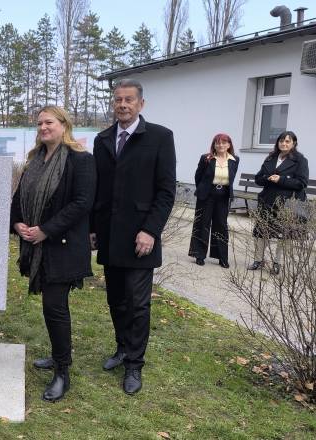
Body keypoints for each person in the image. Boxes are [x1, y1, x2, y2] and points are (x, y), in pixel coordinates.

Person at [92, 79, 176, 395]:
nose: (123, 105)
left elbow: (167, 191)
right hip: (111, 235)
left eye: (129, 100)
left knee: (138, 304)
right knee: (115, 299)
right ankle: (122, 348)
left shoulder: (159, 137)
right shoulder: (102, 140)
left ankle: (134, 365)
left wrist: (151, 230)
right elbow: (98, 189)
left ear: (141, 104)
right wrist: (92, 227)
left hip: (142, 237)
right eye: (118, 100)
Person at [11, 105, 96, 403]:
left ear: (64, 124)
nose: (43, 127)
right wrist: (17, 222)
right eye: (39, 124)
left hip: (62, 246)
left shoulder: (80, 160)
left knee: (55, 307)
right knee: (51, 308)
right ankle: (57, 355)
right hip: (37, 246)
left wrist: (46, 229)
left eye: (48, 122)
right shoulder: (35, 160)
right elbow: (20, 196)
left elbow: (82, 203)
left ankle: (63, 371)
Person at [248, 131, 308, 275]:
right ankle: (258, 260)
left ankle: (277, 263)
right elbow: (258, 178)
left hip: (285, 203)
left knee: (284, 234)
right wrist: (266, 178)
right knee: (261, 231)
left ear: (294, 143)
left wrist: (281, 179)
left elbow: (302, 183)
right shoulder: (271, 158)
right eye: (281, 141)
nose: (284, 143)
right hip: (267, 200)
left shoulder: (300, 160)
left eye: (288, 141)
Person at [188, 133, 239, 268]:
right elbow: (198, 176)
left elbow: (232, 178)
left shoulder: (235, 159)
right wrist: (203, 189)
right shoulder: (206, 158)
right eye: (217, 143)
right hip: (207, 195)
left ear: (229, 145)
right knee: (202, 223)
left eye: (223, 142)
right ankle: (199, 254)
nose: (220, 145)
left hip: (223, 196)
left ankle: (222, 257)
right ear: (214, 145)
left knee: (221, 226)